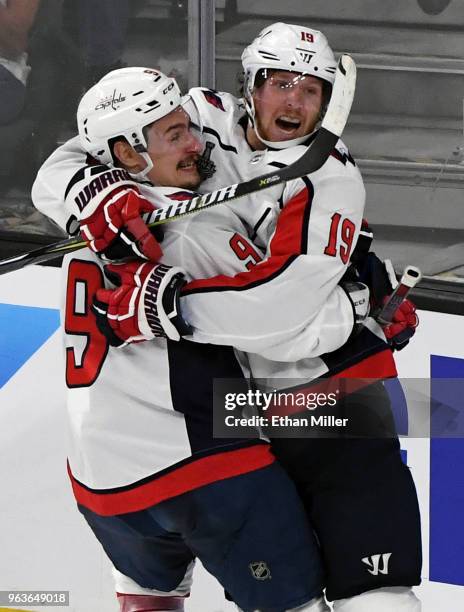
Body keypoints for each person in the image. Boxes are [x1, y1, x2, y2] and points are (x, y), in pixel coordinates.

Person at [32, 24, 421, 612]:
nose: (294, 101)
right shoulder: (202, 117)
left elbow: (280, 314)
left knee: (375, 589)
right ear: (251, 83)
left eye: (311, 90)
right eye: (281, 83)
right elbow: (72, 155)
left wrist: (171, 307)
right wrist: (89, 189)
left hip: (330, 392)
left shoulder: (329, 176)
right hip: (243, 404)